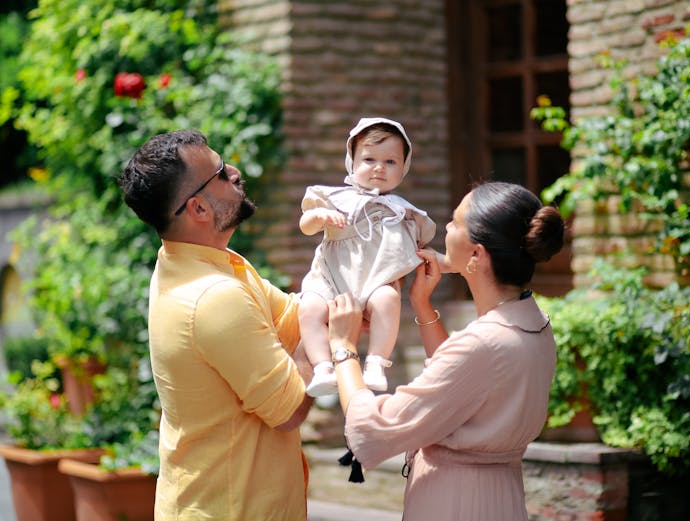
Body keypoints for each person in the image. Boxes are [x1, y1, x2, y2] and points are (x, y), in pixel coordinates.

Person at [327, 182, 565, 520]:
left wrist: (343, 347)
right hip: (501, 497)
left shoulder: (484, 343)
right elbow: (462, 389)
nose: (447, 228)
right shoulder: (535, 324)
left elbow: (374, 430)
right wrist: (423, 307)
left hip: (455, 502)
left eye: (455, 222)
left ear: (477, 255)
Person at [118, 129, 313, 521]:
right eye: (222, 172)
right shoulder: (213, 296)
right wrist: (337, 342)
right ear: (199, 209)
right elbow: (290, 408)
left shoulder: (198, 261)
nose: (236, 172)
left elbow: (294, 320)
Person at [298, 117, 436, 396]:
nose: (378, 168)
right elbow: (305, 225)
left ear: (404, 168)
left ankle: (376, 364)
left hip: (375, 279)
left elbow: (420, 245)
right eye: (369, 159)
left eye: (390, 162)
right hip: (331, 277)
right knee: (309, 307)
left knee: (388, 299)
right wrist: (318, 217)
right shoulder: (335, 198)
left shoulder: (403, 211)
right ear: (352, 161)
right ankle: (323, 366)